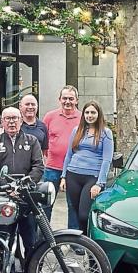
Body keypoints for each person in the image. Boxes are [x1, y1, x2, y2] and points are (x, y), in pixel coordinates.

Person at [0, 107, 44, 273]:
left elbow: (38, 166)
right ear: (2, 121)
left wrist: (25, 185)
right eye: (8, 118)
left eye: (15, 118)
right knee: (5, 242)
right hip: (4, 199)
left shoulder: (32, 141)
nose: (12, 122)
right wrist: (7, 187)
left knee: (31, 242)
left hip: (27, 198)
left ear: (21, 121)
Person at [60, 100, 114, 233]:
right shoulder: (77, 131)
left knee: (84, 214)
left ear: (98, 114)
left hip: (92, 178)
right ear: (83, 114)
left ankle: (90, 243)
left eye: (93, 112)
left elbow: (107, 160)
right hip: (73, 175)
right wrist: (63, 177)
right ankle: (81, 243)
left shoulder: (106, 133)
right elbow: (69, 155)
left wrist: (100, 183)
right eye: (87, 112)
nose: (90, 115)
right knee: (76, 212)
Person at [42, 85, 82, 229]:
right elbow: (42, 139)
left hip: (74, 170)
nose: (67, 101)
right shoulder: (50, 116)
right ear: (59, 100)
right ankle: (43, 240)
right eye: (64, 98)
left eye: (71, 98)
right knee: (46, 204)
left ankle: (74, 241)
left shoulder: (83, 118)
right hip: (52, 167)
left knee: (73, 206)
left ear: (76, 100)